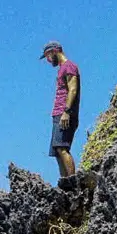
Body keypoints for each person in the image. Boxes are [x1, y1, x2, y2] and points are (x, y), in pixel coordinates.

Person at [40, 41, 80, 180]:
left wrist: (66, 112)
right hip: (58, 114)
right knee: (57, 150)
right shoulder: (62, 68)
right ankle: (65, 183)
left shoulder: (69, 66)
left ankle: (73, 181)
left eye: (48, 56)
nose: (48, 60)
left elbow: (73, 89)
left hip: (65, 113)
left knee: (63, 148)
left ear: (54, 51)